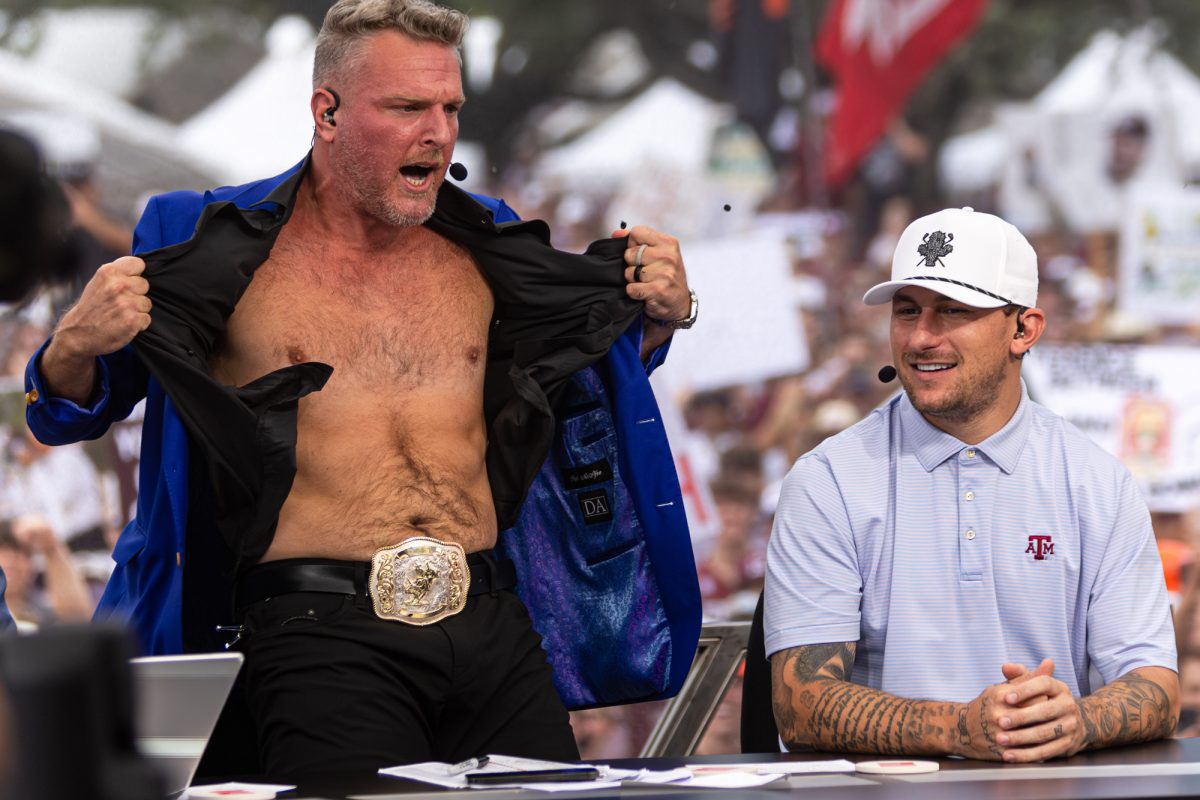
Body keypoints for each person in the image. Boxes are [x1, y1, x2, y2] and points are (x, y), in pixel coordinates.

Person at [25, 0, 701, 777]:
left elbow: (572, 390)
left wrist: (661, 320)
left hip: (490, 616)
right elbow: (67, 409)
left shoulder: (490, 239)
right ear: (328, 111)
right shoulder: (206, 239)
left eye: (449, 107)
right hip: (316, 630)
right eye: (408, 107)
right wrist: (74, 341)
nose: (438, 132)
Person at [765, 206, 1178, 762]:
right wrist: (959, 727)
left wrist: (1076, 720)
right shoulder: (828, 481)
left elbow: (1155, 685)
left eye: (953, 311)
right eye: (906, 311)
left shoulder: (1097, 482)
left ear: (1024, 329)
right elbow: (800, 703)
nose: (920, 338)